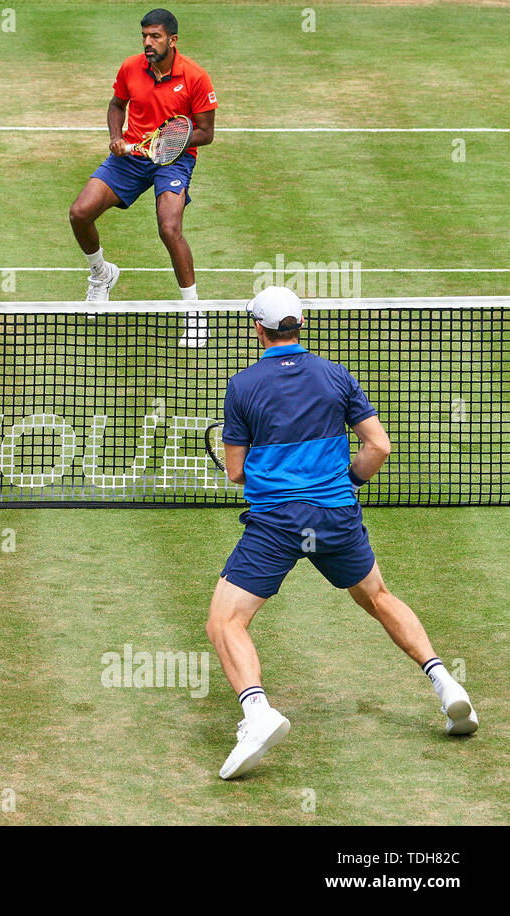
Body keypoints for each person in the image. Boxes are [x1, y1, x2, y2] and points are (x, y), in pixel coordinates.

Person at [206, 286, 478, 780]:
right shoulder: (336, 375)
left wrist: (265, 471)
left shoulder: (242, 386)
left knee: (226, 621)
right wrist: (345, 482)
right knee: (377, 597)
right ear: (299, 324)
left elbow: (235, 471)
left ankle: (257, 714)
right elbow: (378, 447)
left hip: (278, 523)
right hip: (336, 516)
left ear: (257, 328)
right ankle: (447, 686)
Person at [68, 8, 217, 347]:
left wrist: (166, 144)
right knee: (80, 212)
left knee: (169, 227)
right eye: (144, 37)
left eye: (155, 37)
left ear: (172, 40)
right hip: (133, 156)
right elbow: (116, 103)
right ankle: (101, 275)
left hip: (173, 159)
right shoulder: (130, 67)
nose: (148, 43)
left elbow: (206, 133)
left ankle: (194, 313)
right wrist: (116, 136)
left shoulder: (195, 76)